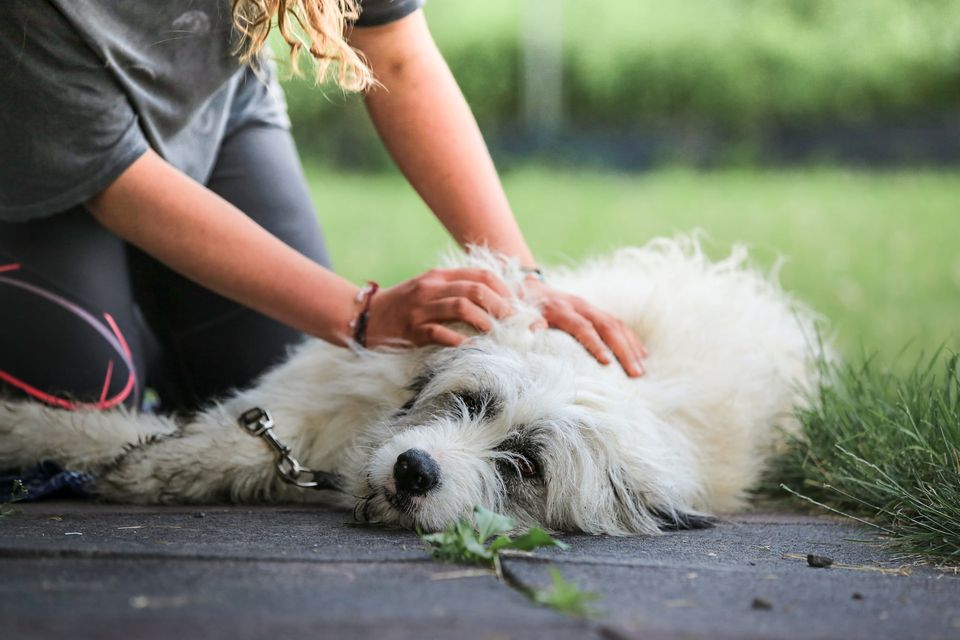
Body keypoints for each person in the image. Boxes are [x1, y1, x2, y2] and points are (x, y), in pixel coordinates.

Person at [0, 0, 645, 415]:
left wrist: (520, 278)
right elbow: (122, 187)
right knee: (79, 396)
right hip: (24, 154)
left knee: (276, 387)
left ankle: (140, 311)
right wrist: (362, 314)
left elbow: (396, 53)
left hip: (206, 115)